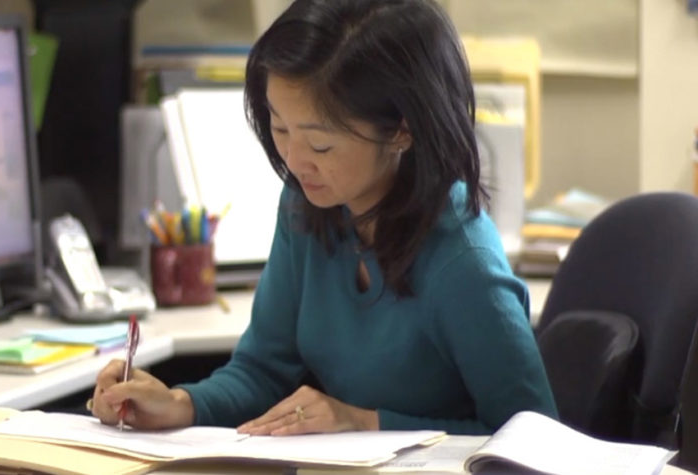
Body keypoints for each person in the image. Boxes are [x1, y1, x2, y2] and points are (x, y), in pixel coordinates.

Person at [91, 0, 557, 435]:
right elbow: (262, 371)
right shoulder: (306, 209)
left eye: (320, 145)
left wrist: (366, 422)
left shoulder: (463, 261)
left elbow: (532, 440)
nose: (293, 160)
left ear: (401, 131)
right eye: (278, 127)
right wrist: (179, 404)